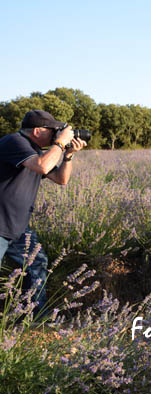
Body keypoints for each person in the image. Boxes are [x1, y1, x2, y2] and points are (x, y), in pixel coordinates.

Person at [0, 109, 87, 317]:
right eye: (54, 130)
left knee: (37, 263)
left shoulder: (35, 151)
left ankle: (36, 317)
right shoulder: (14, 142)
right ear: (38, 131)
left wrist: (68, 155)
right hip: (0, 224)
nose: (58, 134)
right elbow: (42, 166)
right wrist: (60, 142)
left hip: (18, 227)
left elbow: (61, 179)